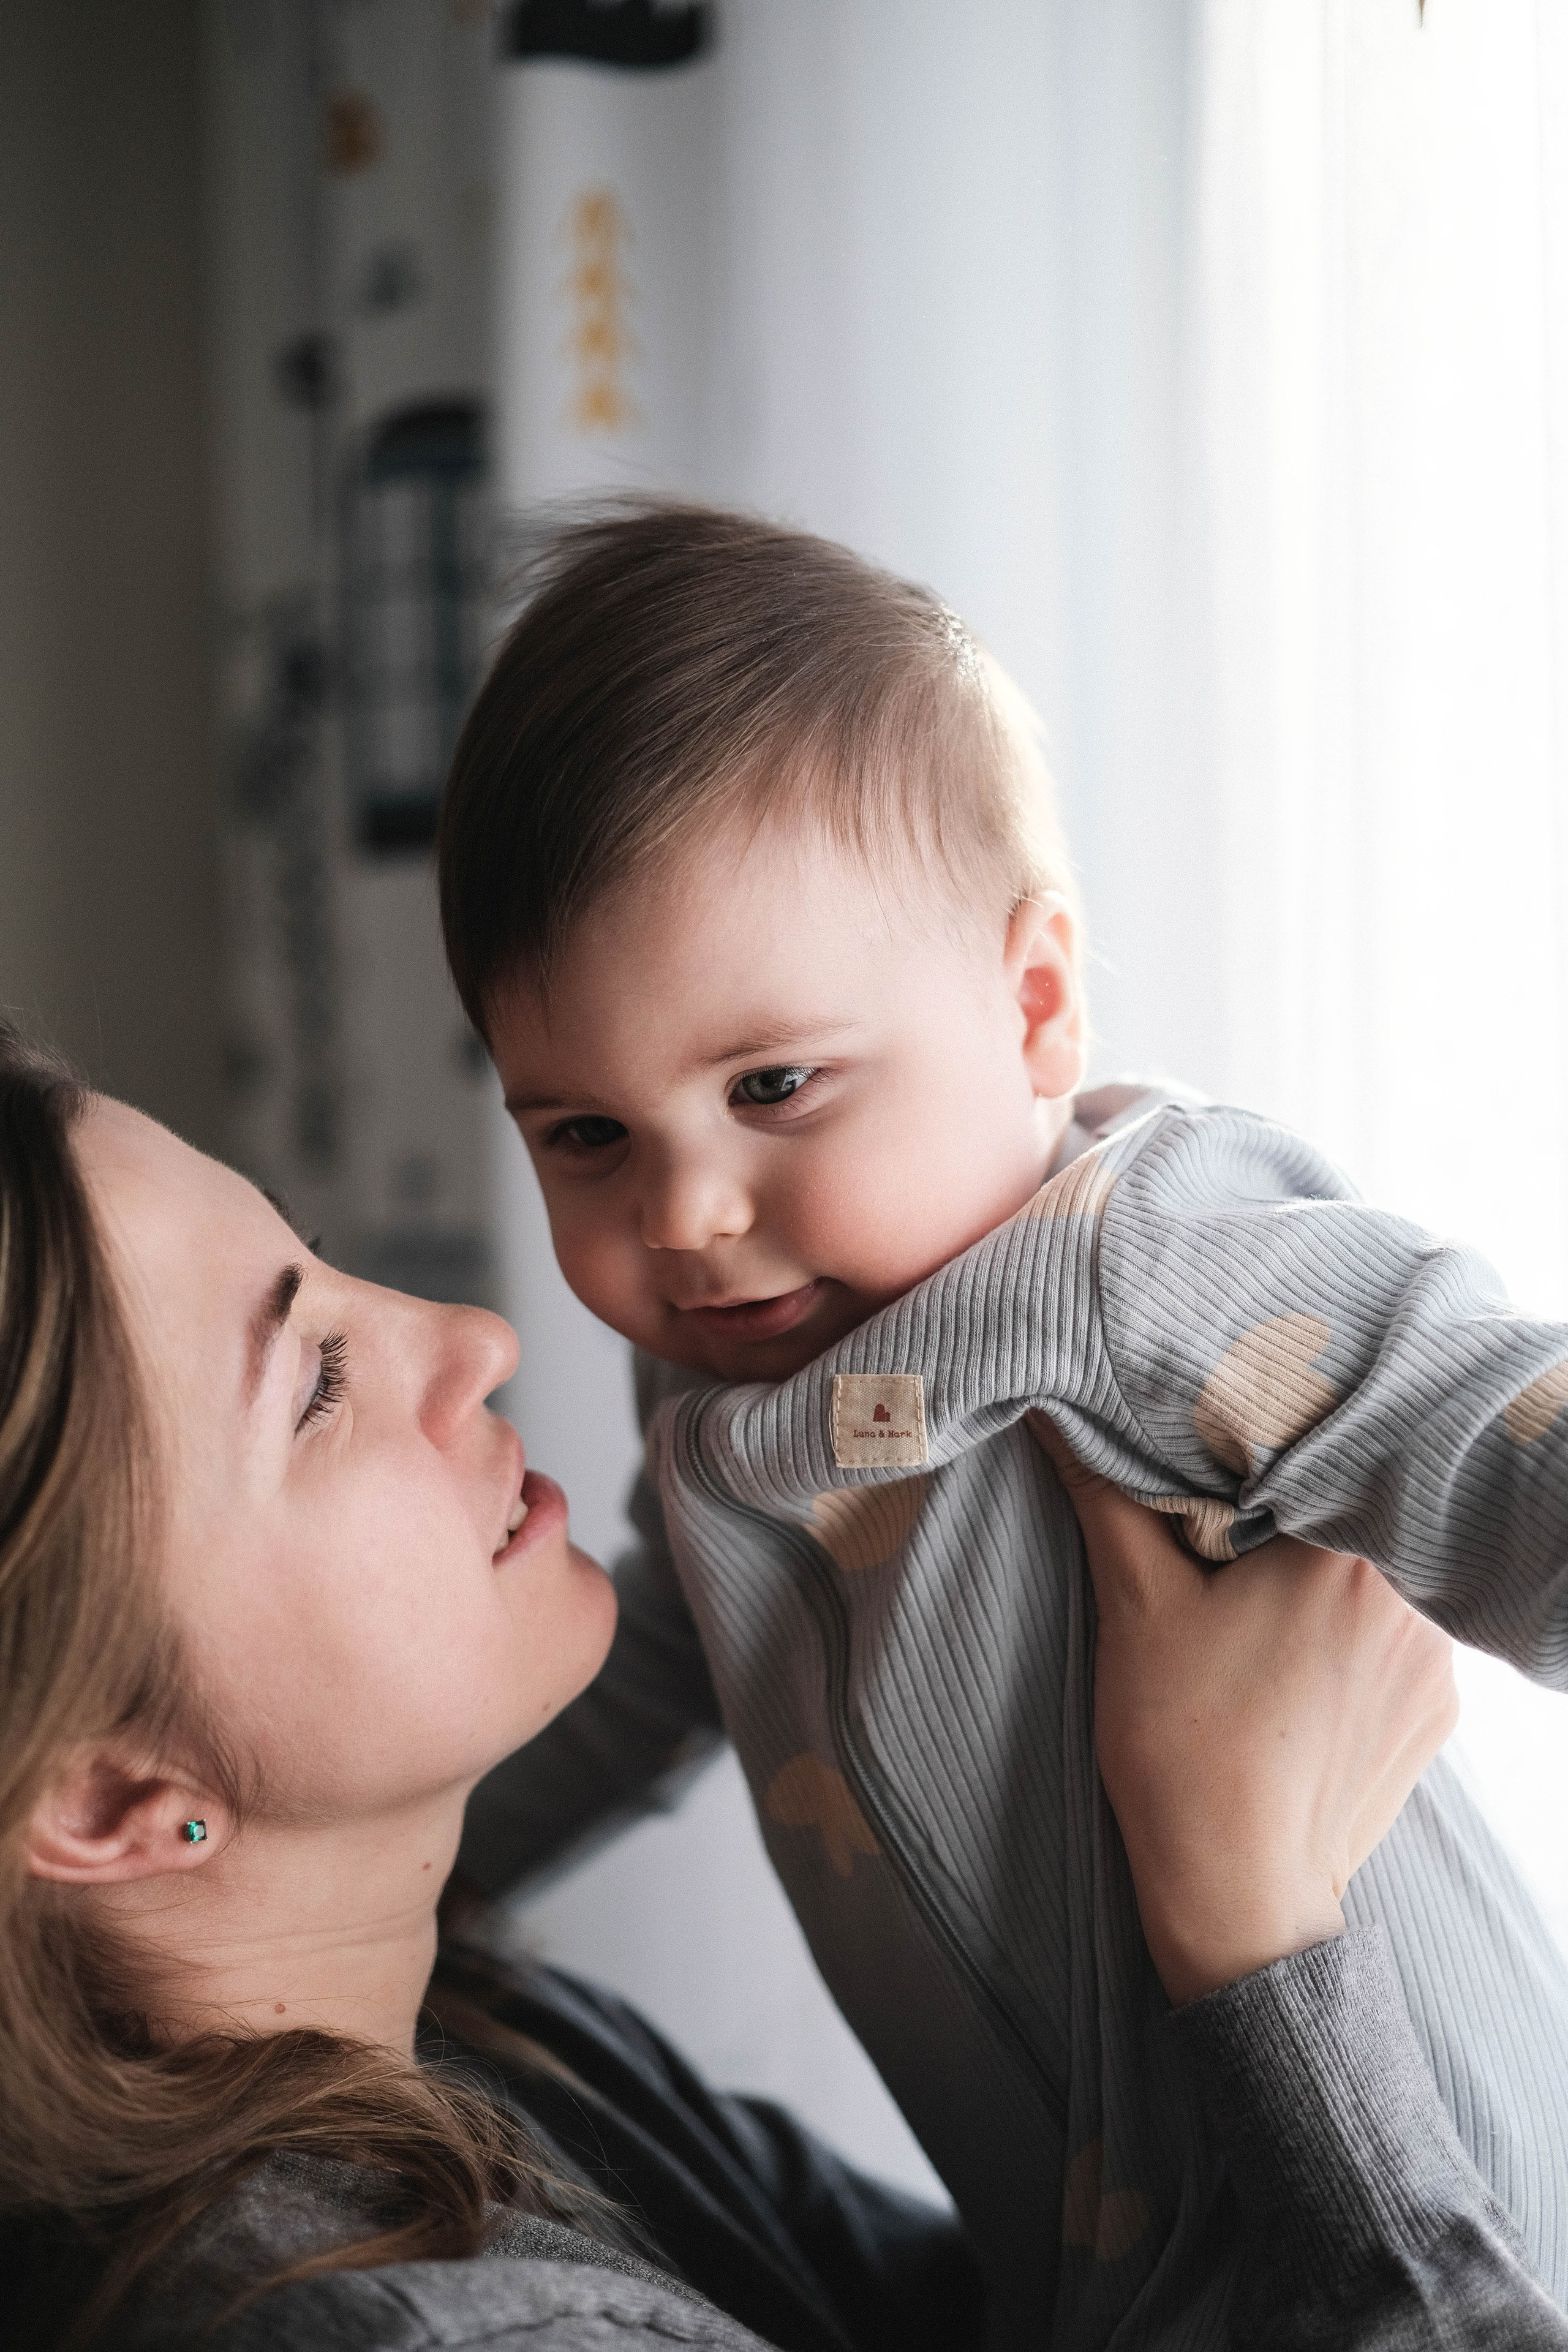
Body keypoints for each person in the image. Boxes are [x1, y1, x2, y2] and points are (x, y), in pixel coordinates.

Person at [437, 502, 1568, 2346]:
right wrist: (447, 1866)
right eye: (584, 1134)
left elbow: (1484, 1422)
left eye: (774, 1085)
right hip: (1117, 2270)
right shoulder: (722, 1360)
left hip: (1429, 2186)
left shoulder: (1137, 1262)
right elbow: (671, 1655)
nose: (684, 1214)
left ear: (1035, 1004)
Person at [0, 1025, 1559, 2351]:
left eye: (320, 1259)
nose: (470, 1337)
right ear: (101, 1793)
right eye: (317, 1385)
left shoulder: (459, 2041)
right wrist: (1249, 1923)